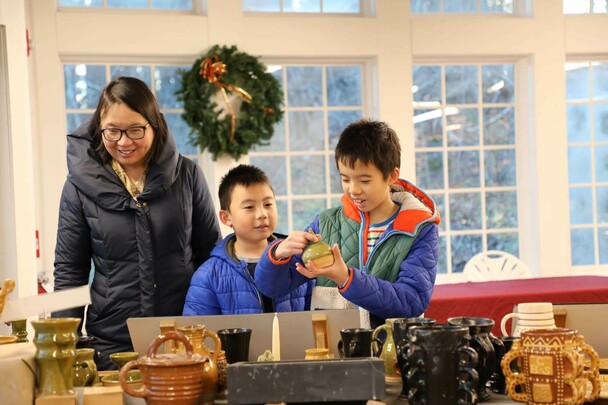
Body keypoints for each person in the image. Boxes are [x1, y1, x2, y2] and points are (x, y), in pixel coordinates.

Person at [53, 76, 222, 370]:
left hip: (183, 334)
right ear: (99, 128)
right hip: (113, 341)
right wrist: (63, 348)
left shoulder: (188, 175)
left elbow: (210, 258)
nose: (124, 141)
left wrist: (210, 324)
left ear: (154, 125)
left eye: (134, 129)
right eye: (112, 131)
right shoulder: (78, 188)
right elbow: (70, 271)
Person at [255, 119, 440, 328]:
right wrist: (278, 253)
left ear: (391, 176)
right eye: (345, 179)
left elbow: (412, 302)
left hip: (394, 354)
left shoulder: (420, 229)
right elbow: (271, 287)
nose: (353, 190)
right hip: (334, 353)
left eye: (364, 180)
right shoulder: (326, 224)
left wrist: (346, 278)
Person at [183, 164, 312, 315]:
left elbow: (316, 321)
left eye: (268, 204)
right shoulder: (208, 276)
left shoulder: (298, 261)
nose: (262, 214)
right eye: (250, 207)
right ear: (226, 217)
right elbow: (198, 333)